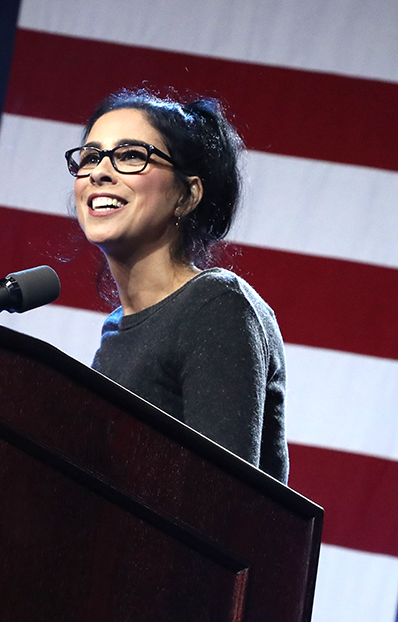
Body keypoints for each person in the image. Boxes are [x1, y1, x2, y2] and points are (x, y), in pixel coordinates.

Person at [65, 89, 288, 483]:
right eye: (91, 156)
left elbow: (223, 497)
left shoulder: (216, 306)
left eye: (131, 155)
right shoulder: (117, 330)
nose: (99, 171)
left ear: (186, 195)